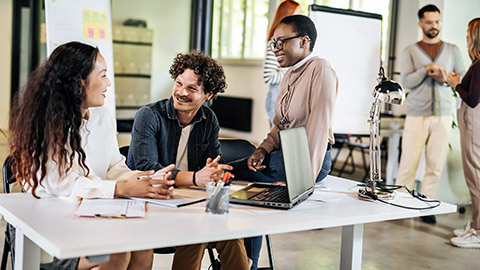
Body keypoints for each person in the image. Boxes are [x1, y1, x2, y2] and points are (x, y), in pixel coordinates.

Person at [9, 42, 175, 269]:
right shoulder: (44, 125)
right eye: (104, 75)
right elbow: (65, 185)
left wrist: (140, 179)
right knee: (115, 254)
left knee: (142, 243)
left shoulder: (102, 116)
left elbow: (114, 165)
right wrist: (120, 189)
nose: (108, 83)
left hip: (92, 217)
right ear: (79, 83)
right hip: (51, 231)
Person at [233, 14, 337, 269]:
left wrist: (302, 183)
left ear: (304, 41)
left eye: (281, 42)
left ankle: (247, 263)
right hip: (285, 154)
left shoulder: (321, 69)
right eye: (273, 44)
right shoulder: (290, 74)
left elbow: (318, 129)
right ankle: (246, 262)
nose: (276, 49)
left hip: (310, 159)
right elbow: (280, 124)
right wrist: (262, 149)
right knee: (244, 183)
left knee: (229, 171)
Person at [128, 51, 249, 270]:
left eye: (192, 88)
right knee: (198, 227)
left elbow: (211, 166)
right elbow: (146, 170)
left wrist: (214, 173)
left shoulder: (208, 120)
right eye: (179, 83)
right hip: (149, 204)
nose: (181, 92)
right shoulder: (149, 116)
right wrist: (195, 178)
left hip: (187, 203)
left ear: (208, 94)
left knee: (230, 231)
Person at [395, 4, 466, 224]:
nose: (434, 26)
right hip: (417, 114)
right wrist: (426, 70)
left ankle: (426, 207)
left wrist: (444, 77)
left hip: (444, 115)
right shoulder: (410, 51)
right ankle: (399, 204)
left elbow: (461, 80)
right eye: (429, 22)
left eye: (437, 21)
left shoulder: (453, 50)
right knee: (408, 162)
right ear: (421, 24)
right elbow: (406, 82)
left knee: (435, 165)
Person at [447, 18, 480, 248]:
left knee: (475, 177)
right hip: (471, 123)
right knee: (474, 176)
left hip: (472, 124)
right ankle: (475, 224)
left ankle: (478, 231)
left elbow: (472, 98)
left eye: (469, 33)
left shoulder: (479, 65)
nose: (466, 36)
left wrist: (455, 83)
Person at [264, 0, 301, 127]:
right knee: (280, 143)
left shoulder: (292, 43)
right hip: (277, 99)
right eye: (297, 14)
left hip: (288, 100)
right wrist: (290, 69)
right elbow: (268, 76)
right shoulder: (275, 43)